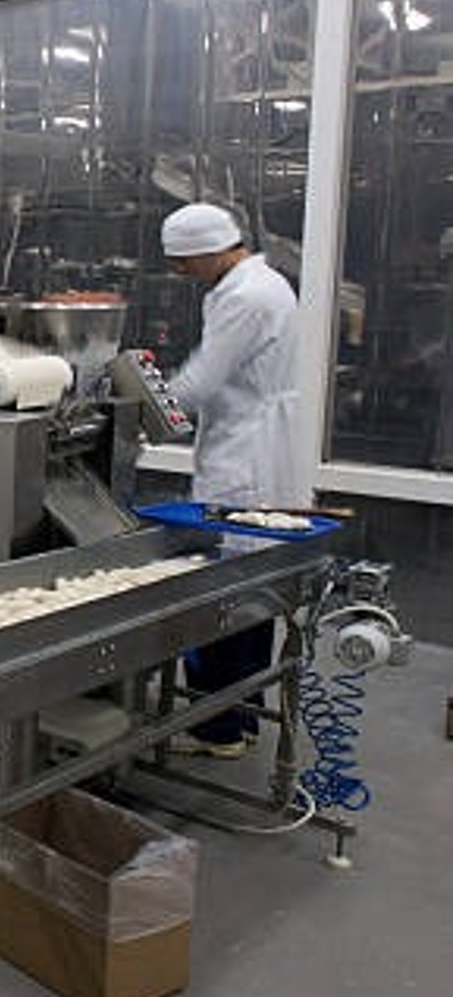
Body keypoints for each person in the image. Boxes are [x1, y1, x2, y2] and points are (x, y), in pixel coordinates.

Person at [160, 201, 304, 758]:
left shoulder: (244, 297)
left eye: (184, 261)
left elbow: (202, 378)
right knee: (254, 590)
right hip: (261, 448)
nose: (180, 272)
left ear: (211, 250)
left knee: (219, 591)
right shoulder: (264, 284)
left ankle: (214, 730)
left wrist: (143, 409)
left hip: (244, 457)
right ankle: (240, 718)